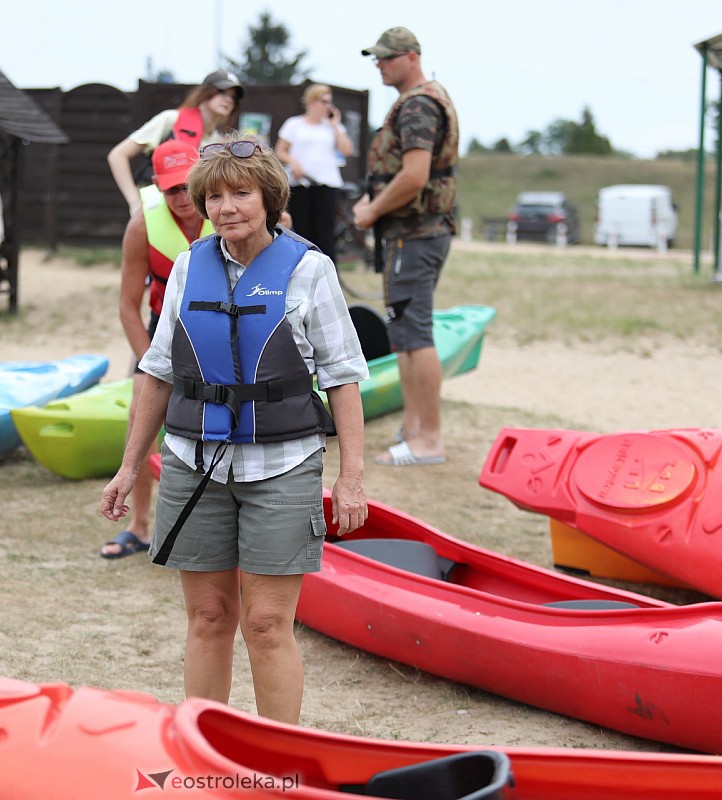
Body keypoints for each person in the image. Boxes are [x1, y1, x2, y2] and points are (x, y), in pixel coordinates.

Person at [100, 135, 369, 723]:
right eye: (214, 196)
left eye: (241, 193)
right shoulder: (189, 267)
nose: (226, 208)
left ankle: (278, 764)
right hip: (193, 461)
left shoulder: (310, 269)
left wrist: (351, 477)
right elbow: (158, 370)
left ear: (268, 198)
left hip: (282, 465)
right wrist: (127, 466)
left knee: (268, 624)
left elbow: (344, 378)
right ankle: (205, 753)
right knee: (208, 617)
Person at [99, 140, 214, 559]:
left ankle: (211, 526)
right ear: (156, 187)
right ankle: (141, 525)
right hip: (160, 331)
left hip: (219, 331)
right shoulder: (141, 226)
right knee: (139, 415)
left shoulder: (227, 213)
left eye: (188, 186)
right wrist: (152, 366)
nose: (182, 197)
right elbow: (129, 305)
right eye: (171, 190)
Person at [352, 27, 459, 467]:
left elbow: (414, 175)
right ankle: (413, 428)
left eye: (386, 58)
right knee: (404, 334)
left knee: (414, 333)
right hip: (410, 234)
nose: (379, 64)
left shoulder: (417, 104)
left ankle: (427, 440)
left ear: (411, 58)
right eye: (376, 58)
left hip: (416, 234)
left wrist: (373, 210)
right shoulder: (419, 100)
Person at [107, 70, 244, 217]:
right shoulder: (171, 119)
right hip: (156, 211)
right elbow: (117, 155)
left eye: (234, 97)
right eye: (223, 92)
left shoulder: (218, 141)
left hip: (194, 216)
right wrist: (134, 203)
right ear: (205, 93)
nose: (229, 100)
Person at [275, 83, 355, 262]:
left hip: (326, 184)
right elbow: (281, 150)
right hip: (301, 184)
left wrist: (335, 124)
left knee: (325, 234)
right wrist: (294, 162)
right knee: (302, 232)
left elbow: (347, 150)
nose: (328, 105)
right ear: (311, 102)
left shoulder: (332, 127)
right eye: (323, 101)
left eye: (330, 101)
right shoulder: (294, 124)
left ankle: (329, 275)